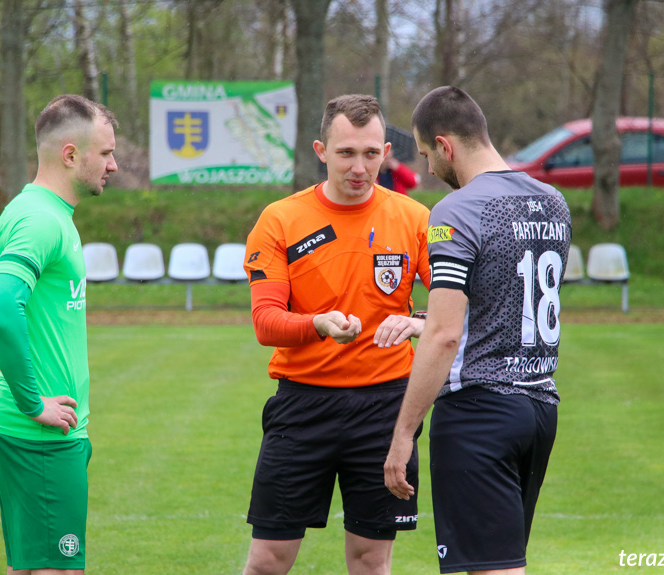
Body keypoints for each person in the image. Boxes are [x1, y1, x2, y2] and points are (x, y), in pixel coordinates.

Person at [384, 86, 571, 575]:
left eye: (426, 155)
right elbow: (502, 305)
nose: (426, 169)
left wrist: (404, 432)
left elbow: (447, 335)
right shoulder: (552, 202)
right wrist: (420, 322)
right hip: (539, 410)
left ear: (445, 146)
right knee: (502, 561)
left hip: (477, 414)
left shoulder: (457, 210)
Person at [242, 94, 432, 575]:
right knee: (268, 560)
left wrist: (418, 323)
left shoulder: (414, 219)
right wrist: (318, 324)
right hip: (302, 409)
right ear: (321, 150)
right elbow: (266, 323)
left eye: (371, 154)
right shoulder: (281, 219)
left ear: (386, 152)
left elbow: (461, 312)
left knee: (371, 561)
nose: (359, 167)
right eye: (346, 153)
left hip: (386, 411)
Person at [0, 94, 117, 575]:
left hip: (44, 435)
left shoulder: (45, 212)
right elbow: (1, 307)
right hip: (40, 435)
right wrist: (34, 403)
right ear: (70, 154)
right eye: (105, 153)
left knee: (33, 568)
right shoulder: (41, 219)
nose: (114, 165)